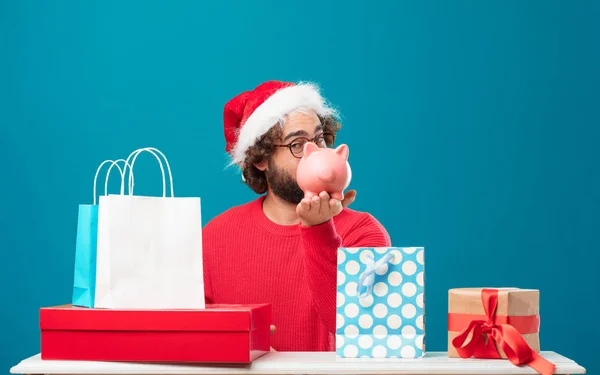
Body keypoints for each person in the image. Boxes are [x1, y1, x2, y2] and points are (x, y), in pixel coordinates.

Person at [202, 80, 391, 352]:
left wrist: (320, 230)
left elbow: (359, 331)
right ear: (260, 159)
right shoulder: (215, 236)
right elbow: (193, 338)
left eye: (319, 139)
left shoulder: (363, 232)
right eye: (297, 143)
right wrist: (233, 343)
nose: (314, 152)